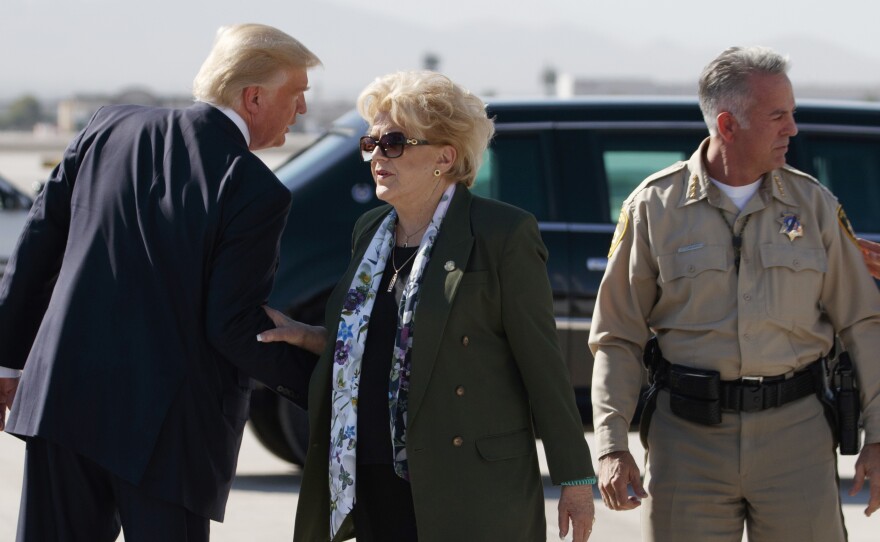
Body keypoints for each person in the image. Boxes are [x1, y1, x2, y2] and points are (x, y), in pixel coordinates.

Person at [0, 23, 321, 541]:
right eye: (298, 94)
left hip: (62, 402)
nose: (302, 109)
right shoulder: (254, 188)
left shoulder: (107, 126)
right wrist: (324, 389)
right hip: (169, 434)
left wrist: (7, 359)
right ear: (255, 97)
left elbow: (38, 244)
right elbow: (232, 326)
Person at [256, 70, 596, 542]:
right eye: (370, 142)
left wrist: (575, 479)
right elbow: (374, 344)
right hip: (373, 474)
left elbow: (542, 364)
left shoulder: (503, 234)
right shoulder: (369, 232)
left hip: (468, 483)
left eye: (393, 142)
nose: (376, 155)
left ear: (445, 156)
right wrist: (305, 334)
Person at [589, 46, 880, 541]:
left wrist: (879, 435)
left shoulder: (814, 206)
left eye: (793, 114)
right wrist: (612, 446)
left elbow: (863, 324)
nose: (792, 129)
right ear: (727, 125)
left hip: (797, 440)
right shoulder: (654, 208)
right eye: (778, 116)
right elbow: (617, 336)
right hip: (688, 442)